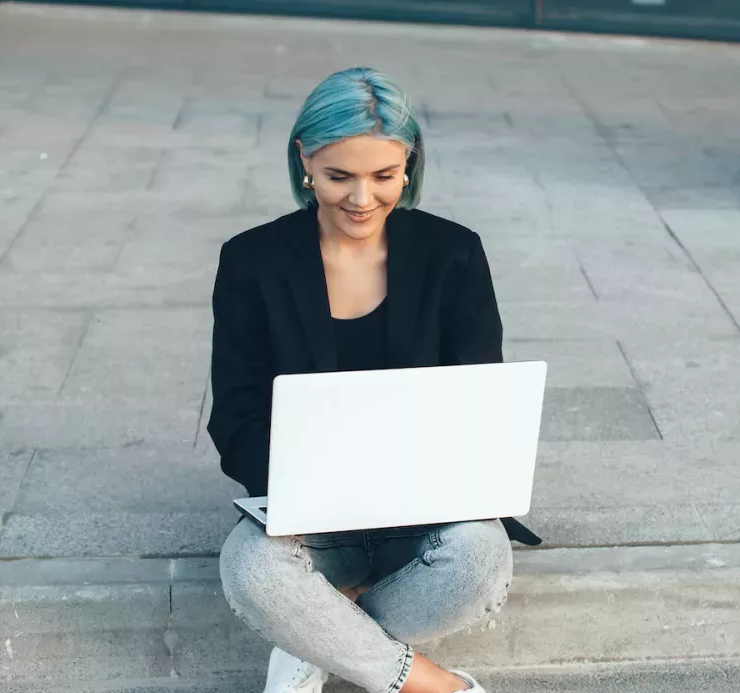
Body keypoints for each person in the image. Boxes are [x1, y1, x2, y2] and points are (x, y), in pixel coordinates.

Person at [207, 67, 541, 693]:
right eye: (339, 177)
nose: (362, 199)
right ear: (304, 160)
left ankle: (316, 642)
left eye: (384, 176)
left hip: (424, 507)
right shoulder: (252, 260)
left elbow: (477, 400)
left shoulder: (454, 252)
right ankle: (436, 687)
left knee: (478, 561)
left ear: (409, 165)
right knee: (249, 567)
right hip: (309, 511)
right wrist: (305, 489)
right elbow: (236, 415)